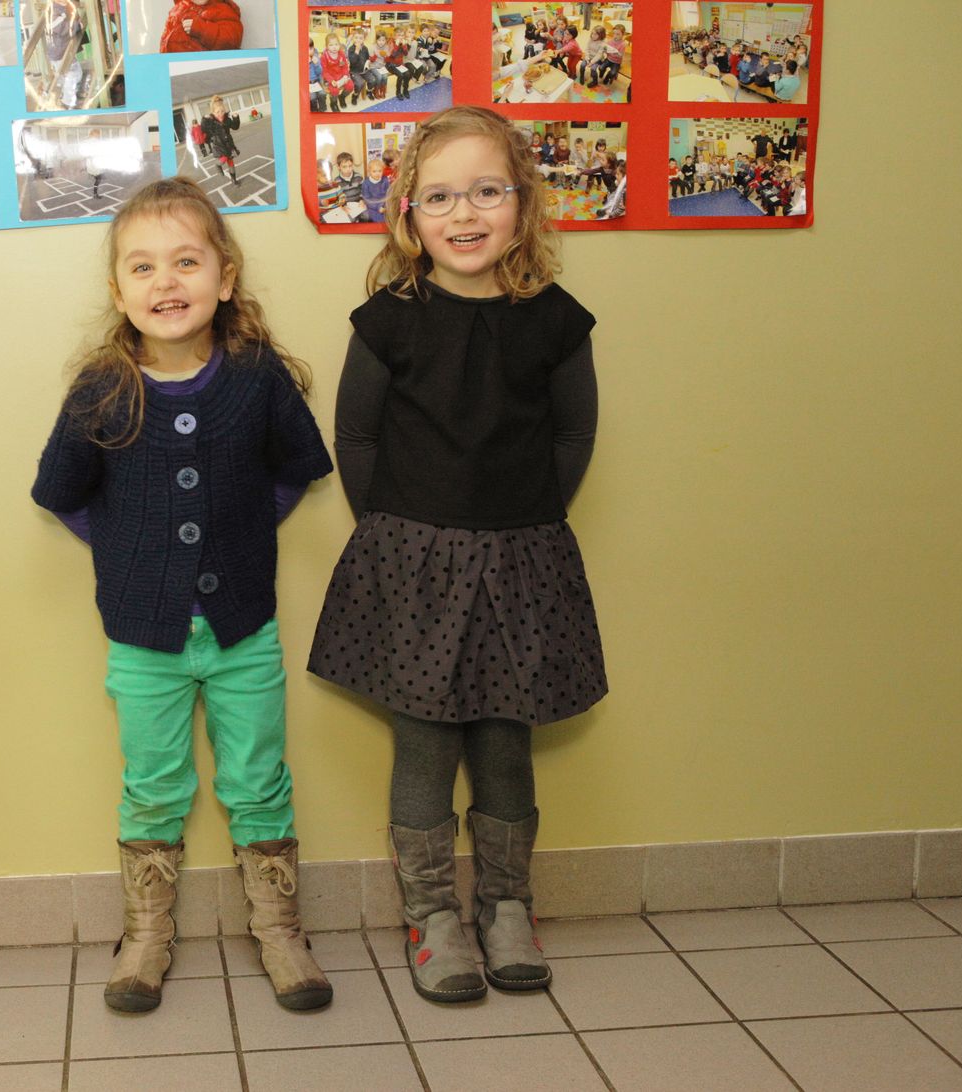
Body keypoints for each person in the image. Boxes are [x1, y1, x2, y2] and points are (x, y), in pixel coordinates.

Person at [309, 105, 606, 1005]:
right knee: (425, 746)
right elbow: (356, 437)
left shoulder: (556, 322)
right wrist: (397, 531)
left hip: (522, 558)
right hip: (413, 564)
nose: (464, 213)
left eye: (486, 191)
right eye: (440, 196)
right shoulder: (387, 322)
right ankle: (432, 916)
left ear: (523, 204)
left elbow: (574, 434)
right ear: (408, 212)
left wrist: (529, 520)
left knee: (506, 742)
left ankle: (507, 906)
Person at [31, 177, 334, 1016]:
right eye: (143, 267)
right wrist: (130, 551)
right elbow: (60, 491)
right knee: (155, 783)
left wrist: (243, 533)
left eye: (187, 262)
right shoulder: (102, 388)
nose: (165, 282)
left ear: (225, 278)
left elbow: (297, 470)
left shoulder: (256, 379)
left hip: (244, 630)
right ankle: (146, 936)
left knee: (258, 778)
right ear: (119, 291)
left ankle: (279, 930)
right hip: (143, 638)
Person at [159, 0, 243, 52]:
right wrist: (163, 58)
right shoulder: (179, 8)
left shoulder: (223, 10)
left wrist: (202, 29)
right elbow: (165, 37)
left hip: (202, 67)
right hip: (173, 64)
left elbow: (231, 41)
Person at [199, 94, 241, 185]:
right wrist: (204, 120)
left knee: (231, 162)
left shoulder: (227, 119)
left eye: (222, 111)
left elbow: (235, 127)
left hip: (228, 144)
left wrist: (235, 118)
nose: (220, 114)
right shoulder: (211, 121)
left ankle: (234, 180)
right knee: (224, 158)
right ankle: (217, 165)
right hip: (219, 145)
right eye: (217, 112)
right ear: (213, 113)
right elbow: (204, 129)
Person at [318, 33, 353, 113]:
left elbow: (344, 66)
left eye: (336, 44)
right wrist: (331, 80)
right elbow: (324, 72)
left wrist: (345, 75)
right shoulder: (324, 56)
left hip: (341, 76)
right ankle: (333, 103)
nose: (334, 47)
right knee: (334, 91)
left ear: (339, 44)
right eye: (331, 45)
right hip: (330, 78)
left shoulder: (341, 54)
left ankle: (342, 97)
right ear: (326, 46)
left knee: (350, 86)